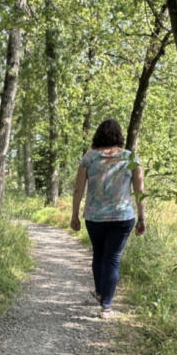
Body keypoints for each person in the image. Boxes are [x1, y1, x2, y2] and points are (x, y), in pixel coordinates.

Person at [70, 119, 146, 319]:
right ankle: (106, 307)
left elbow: (78, 189)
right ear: (119, 136)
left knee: (99, 254)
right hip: (122, 216)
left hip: (94, 216)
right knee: (112, 258)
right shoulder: (131, 158)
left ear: (98, 136)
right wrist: (142, 218)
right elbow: (139, 191)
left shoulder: (89, 158)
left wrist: (74, 215)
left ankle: (100, 293)